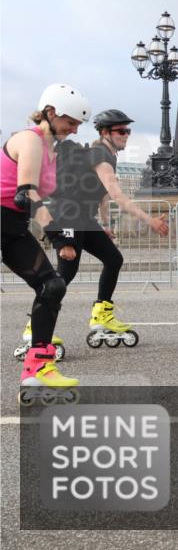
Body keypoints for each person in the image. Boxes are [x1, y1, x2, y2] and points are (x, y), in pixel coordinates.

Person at [44, 109, 169, 348]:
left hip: (82, 219)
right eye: (121, 131)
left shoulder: (107, 156)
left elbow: (102, 196)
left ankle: (101, 315)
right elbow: (118, 196)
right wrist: (149, 220)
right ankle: (36, 326)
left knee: (113, 259)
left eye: (128, 130)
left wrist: (104, 225)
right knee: (65, 274)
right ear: (104, 132)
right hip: (66, 217)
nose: (126, 135)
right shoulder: (100, 154)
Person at [1, 84, 89, 402]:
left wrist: (63, 236)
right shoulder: (29, 139)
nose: (75, 129)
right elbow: (27, 195)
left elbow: (48, 200)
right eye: (72, 121)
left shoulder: (52, 151)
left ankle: (37, 369)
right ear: (50, 112)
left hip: (11, 227)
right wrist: (57, 236)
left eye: (79, 124)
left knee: (52, 287)